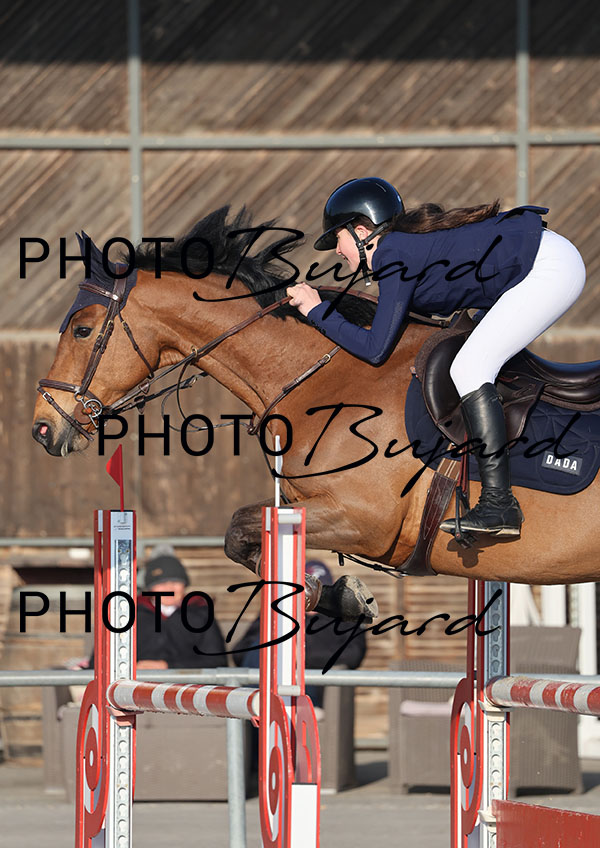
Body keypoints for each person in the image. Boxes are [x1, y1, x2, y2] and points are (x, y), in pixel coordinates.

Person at [287, 177, 586, 538]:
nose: (336, 250)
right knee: (471, 360)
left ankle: (499, 505)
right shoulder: (400, 250)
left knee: (470, 367)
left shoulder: (393, 254)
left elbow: (375, 349)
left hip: (548, 268)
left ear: (362, 232)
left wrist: (317, 310)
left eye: (338, 238)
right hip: (542, 263)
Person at [231, 560, 366, 711]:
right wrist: (280, 651)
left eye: (321, 592)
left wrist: (301, 655)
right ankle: (263, 707)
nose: (313, 597)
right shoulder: (278, 611)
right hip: (268, 680)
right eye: (307, 591)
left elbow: (354, 654)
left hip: (311, 684)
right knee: (263, 647)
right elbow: (239, 652)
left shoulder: (343, 617)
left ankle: (269, 707)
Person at [88, 548, 229, 670]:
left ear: (184, 586)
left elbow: (217, 661)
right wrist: (133, 668)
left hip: (186, 688)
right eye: (161, 583)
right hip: (136, 686)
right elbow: (101, 660)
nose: (169, 588)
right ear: (151, 588)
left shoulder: (201, 615)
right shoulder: (129, 615)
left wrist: (168, 666)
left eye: (175, 582)